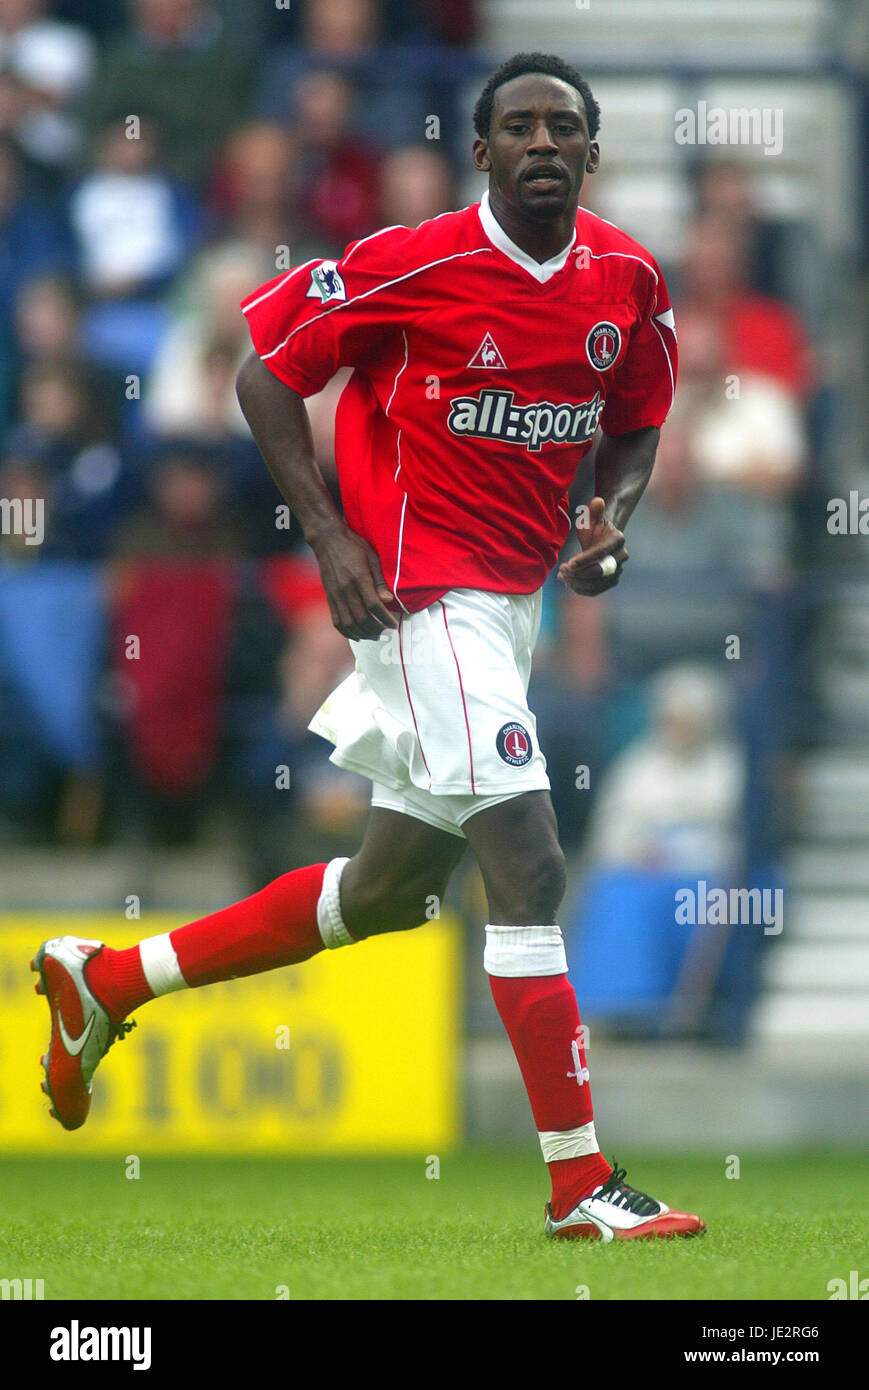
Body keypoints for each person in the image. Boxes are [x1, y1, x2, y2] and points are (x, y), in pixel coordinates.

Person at [32, 52, 704, 1244]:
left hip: (507, 609)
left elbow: (637, 422)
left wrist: (612, 515)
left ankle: (111, 979)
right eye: (518, 128)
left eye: (563, 129)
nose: (542, 144)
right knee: (531, 862)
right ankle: (577, 1180)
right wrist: (330, 535)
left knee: (390, 893)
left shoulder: (625, 277)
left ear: (591, 157)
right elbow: (263, 375)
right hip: (416, 596)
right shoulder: (415, 261)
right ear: (481, 151)